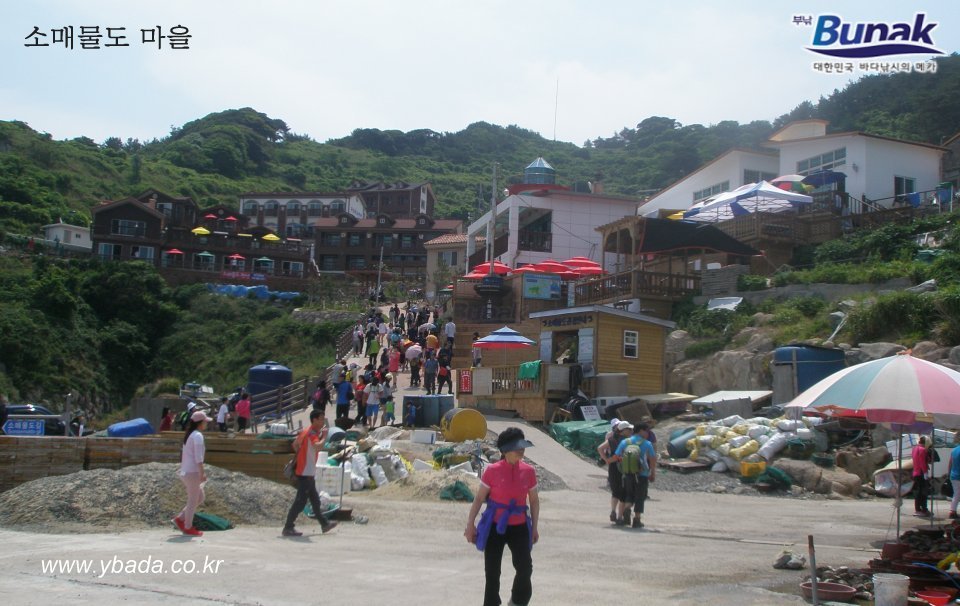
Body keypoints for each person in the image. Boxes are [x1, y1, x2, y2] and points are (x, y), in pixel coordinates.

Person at [464, 427, 539, 606]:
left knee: (525, 568)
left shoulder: (529, 471)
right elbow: (479, 498)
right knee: (492, 573)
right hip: (495, 525)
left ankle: (517, 602)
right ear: (505, 450)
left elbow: (534, 501)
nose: (521, 450)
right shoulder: (492, 470)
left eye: (522, 446)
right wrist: (470, 524)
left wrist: (534, 528)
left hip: (519, 525)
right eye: (516, 447)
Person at [282, 409, 339, 537]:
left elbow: (295, 444)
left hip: (306, 470)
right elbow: (318, 446)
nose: (323, 422)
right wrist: (324, 436)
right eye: (321, 419)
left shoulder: (305, 431)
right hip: (306, 472)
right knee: (300, 501)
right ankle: (288, 527)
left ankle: (324, 523)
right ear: (314, 420)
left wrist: (303, 455)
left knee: (315, 500)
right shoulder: (312, 433)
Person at [172, 410, 211, 537]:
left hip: (187, 471)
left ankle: (180, 519)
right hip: (192, 472)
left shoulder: (190, 435)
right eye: (205, 421)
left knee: (199, 497)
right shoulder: (198, 436)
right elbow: (198, 457)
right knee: (193, 500)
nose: (207, 423)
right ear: (200, 422)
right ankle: (188, 526)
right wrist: (202, 473)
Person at [612, 422, 657, 528]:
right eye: (646, 431)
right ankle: (637, 520)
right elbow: (652, 459)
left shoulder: (624, 442)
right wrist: (652, 472)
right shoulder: (647, 443)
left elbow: (617, 455)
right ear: (641, 431)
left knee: (629, 494)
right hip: (642, 474)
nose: (648, 433)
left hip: (628, 473)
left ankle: (627, 508)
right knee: (640, 497)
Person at [597, 419, 627, 523]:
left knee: (615, 491)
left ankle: (613, 511)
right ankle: (620, 517)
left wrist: (607, 460)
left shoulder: (611, 438)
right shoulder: (627, 441)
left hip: (613, 466)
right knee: (623, 492)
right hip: (624, 467)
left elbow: (600, 448)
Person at [913, 436, 932, 516]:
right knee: (923, 492)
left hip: (915, 472)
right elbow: (922, 463)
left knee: (918, 492)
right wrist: (925, 473)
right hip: (921, 473)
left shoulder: (914, 449)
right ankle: (924, 509)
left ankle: (918, 509)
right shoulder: (923, 450)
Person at [950, 438, 960, 519]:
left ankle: (953, 511)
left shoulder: (954, 450)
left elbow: (950, 463)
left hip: (953, 475)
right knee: (957, 494)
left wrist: (948, 473)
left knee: (956, 494)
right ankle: (952, 511)